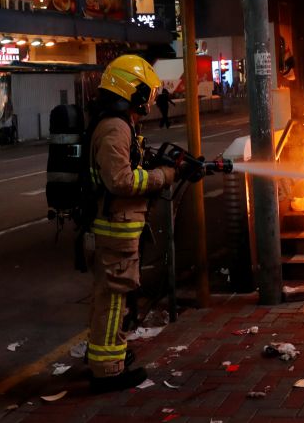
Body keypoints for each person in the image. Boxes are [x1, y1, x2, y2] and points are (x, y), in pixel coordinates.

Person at [85, 55, 177, 392]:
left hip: (118, 226)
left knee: (110, 297)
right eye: (146, 93)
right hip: (116, 228)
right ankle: (108, 371)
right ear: (129, 88)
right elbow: (120, 181)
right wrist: (162, 176)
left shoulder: (118, 122)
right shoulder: (114, 126)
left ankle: (106, 357)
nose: (148, 101)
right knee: (113, 299)